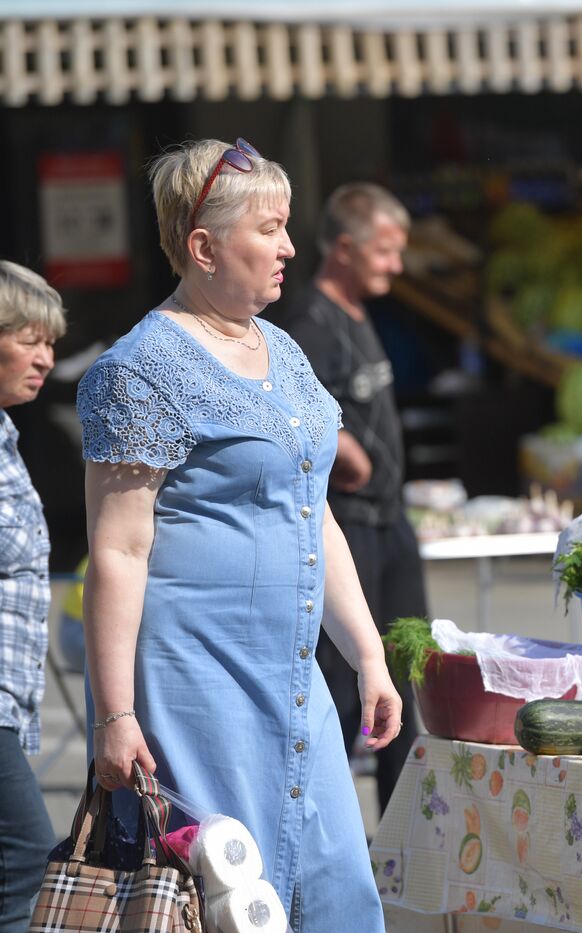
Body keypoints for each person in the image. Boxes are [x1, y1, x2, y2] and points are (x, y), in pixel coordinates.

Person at [77, 138, 397, 930]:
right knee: (228, 900)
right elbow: (117, 550)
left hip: (293, 680)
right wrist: (115, 715)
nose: (290, 248)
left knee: (339, 892)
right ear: (204, 247)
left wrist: (368, 652)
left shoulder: (282, 349)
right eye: (270, 228)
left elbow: (313, 509)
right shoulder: (138, 369)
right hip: (196, 682)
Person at [273, 183, 426, 817]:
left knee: (407, 671)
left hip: (391, 521)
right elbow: (288, 401)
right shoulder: (310, 320)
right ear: (343, 248)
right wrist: (341, 444)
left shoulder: (361, 313)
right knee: (344, 686)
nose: (396, 265)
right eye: (385, 252)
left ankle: (401, 828)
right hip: (349, 527)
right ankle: (317, 822)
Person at [0, 261, 63, 933]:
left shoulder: (7, 434)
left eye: (50, 342)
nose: (45, 358)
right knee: (26, 867)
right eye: (29, 339)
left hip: (9, 704)